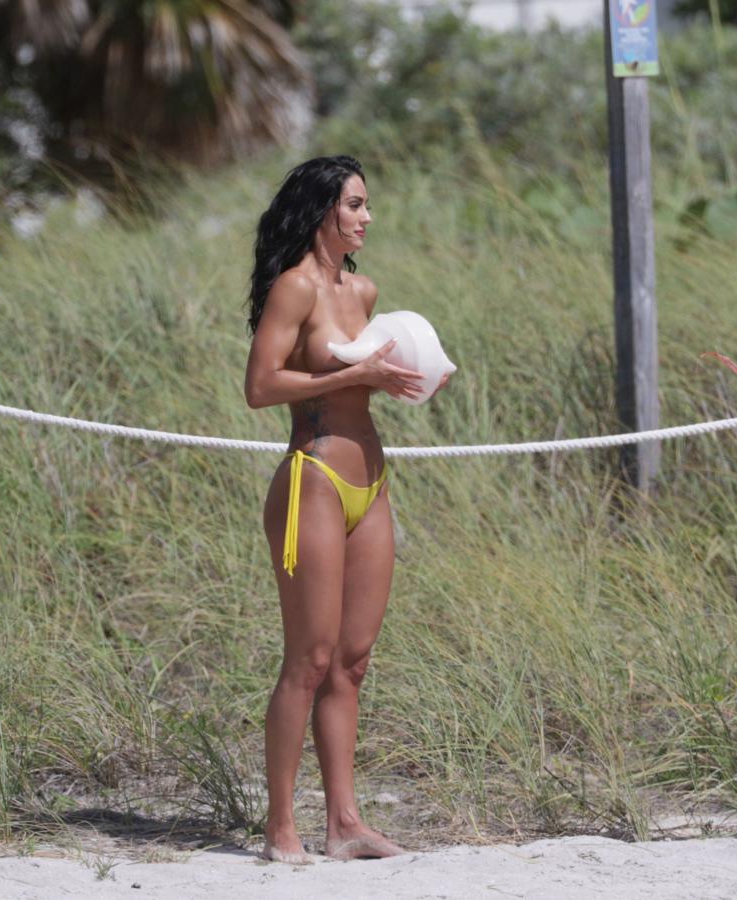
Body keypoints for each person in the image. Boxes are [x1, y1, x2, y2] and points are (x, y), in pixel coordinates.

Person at [244, 156, 427, 862]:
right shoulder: (295, 288)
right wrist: (359, 372)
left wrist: (408, 377)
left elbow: (363, 381)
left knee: (352, 661)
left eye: (366, 204)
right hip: (313, 478)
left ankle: (345, 824)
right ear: (322, 211)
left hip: (371, 482)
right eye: (354, 204)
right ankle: (280, 826)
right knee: (310, 659)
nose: (366, 217)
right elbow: (261, 386)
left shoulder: (364, 290)